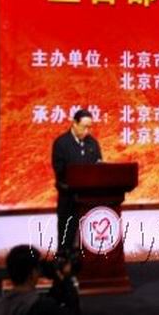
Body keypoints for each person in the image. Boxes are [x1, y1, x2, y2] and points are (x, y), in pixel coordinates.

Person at [52, 109, 102, 255]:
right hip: (68, 197)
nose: (87, 131)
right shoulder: (61, 143)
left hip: (88, 199)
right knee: (66, 237)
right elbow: (59, 169)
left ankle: (88, 263)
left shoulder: (92, 143)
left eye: (89, 127)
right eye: (84, 127)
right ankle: (64, 262)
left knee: (86, 239)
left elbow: (99, 166)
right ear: (74, 123)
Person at [0, 245, 78, 315]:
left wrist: (57, 280)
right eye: (37, 268)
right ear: (32, 273)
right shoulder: (40, 306)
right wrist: (65, 278)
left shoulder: (2, 303)